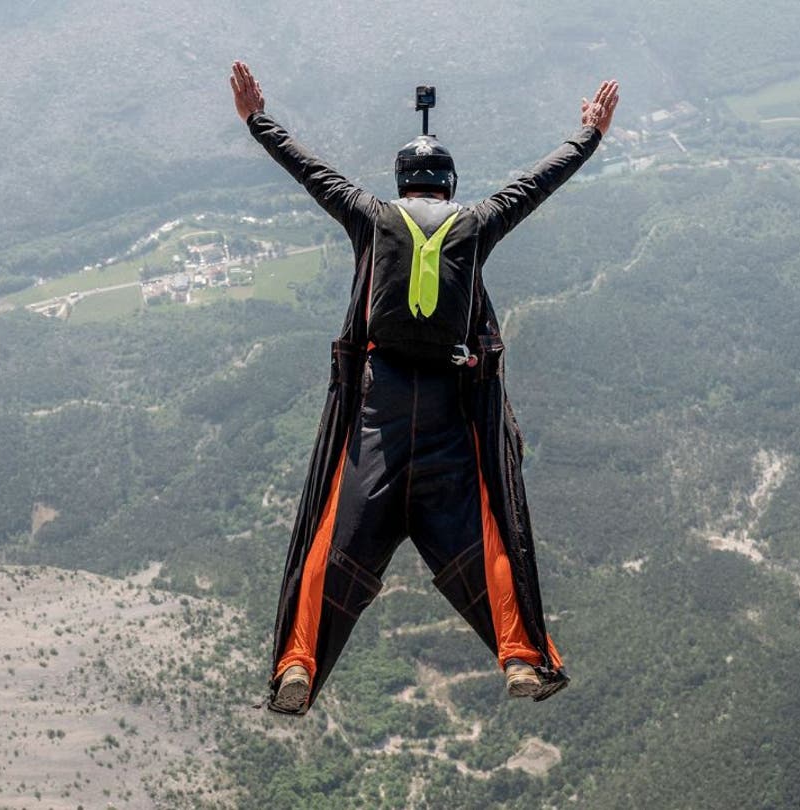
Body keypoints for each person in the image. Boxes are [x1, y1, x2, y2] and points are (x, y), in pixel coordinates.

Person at [230, 60, 619, 714]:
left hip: (377, 415)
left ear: (404, 182)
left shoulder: (372, 217)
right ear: (447, 186)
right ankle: (521, 655)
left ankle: (298, 662)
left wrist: (256, 120)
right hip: (446, 414)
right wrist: (590, 134)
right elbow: (537, 182)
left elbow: (309, 169)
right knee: (488, 534)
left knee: (332, 534)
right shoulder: (476, 222)